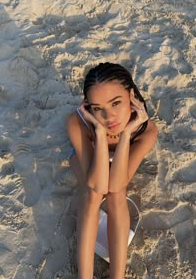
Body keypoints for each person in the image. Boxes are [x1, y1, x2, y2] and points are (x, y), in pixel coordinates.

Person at [66, 62, 158, 279]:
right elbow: (97, 183)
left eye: (116, 103)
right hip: (87, 156)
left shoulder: (146, 131)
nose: (109, 117)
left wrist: (126, 135)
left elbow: (117, 185)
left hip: (121, 158)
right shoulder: (77, 122)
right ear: (89, 108)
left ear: (131, 95)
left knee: (117, 194)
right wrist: (98, 133)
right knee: (92, 194)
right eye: (98, 108)